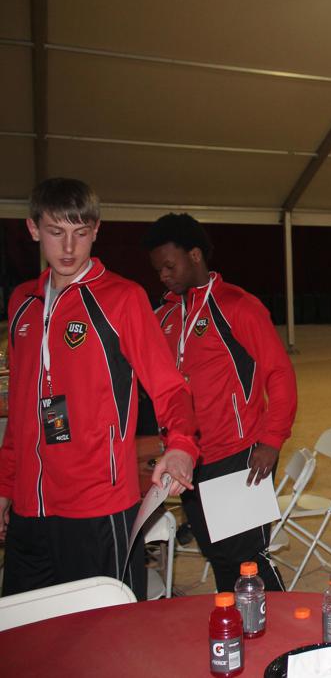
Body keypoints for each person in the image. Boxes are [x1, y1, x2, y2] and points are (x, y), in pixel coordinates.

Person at [0, 178, 198, 600]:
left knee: (105, 630)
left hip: (98, 506)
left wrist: (181, 444)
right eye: (56, 232)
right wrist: (5, 487)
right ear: (33, 229)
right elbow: (20, 412)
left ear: (96, 231)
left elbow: (170, 388)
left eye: (81, 232)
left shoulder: (122, 298)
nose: (69, 247)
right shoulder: (22, 303)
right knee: (23, 629)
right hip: (29, 510)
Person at [144, 213, 297, 592]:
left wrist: (271, 440)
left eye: (170, 265)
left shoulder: (237, 306)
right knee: (217, 554)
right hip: (190, 460)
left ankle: (278, 625)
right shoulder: (164, 316)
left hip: (239, 456)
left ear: (195, 255)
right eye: (158, 269)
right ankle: (238, 623)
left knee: (246, 560)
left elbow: (279, 374)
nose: (163, 275)